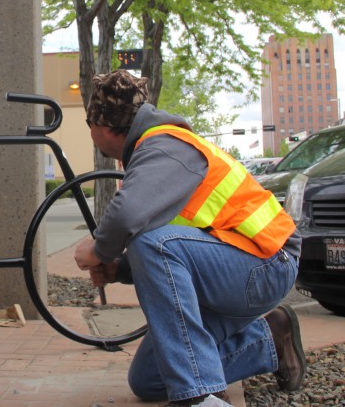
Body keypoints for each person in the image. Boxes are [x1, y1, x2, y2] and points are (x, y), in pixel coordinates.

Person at [73, 70, 306, 407]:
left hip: (268, 264)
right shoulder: (154, 153)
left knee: (150, 244)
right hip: (234, 274)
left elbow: (129, 216)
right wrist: (119, 268)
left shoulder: (164, 146)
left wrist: (98, 249)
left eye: (88, 124)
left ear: (103, 125)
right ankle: (271, 337)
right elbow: (184, 242)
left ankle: (200, 396)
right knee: (149, 379)